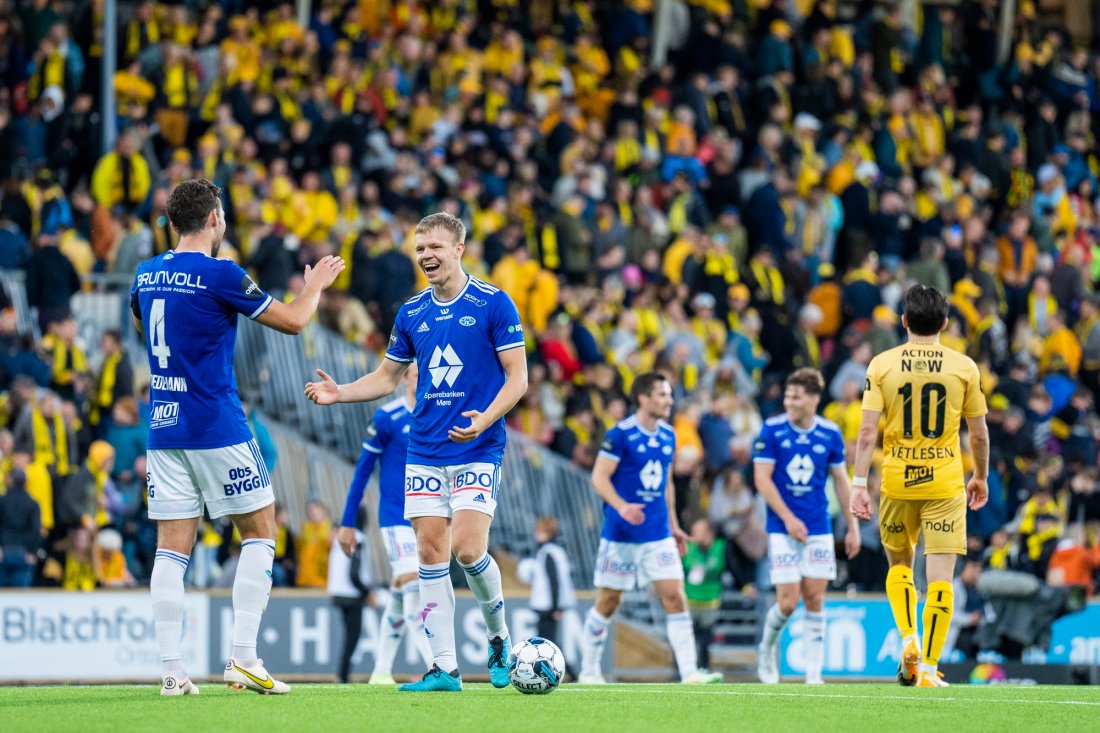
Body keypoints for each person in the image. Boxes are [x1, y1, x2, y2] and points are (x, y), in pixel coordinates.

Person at [130, 178, 344, 696]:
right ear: (213, 221)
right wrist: (313, 286)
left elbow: (143, 328)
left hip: (163, 426)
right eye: (222, 215)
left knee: (170, 550)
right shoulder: (220, 272)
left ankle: (172, 671)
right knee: (261, 531)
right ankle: (243, 658)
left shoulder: (146, 273)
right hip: (215, 422)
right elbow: (293, 321)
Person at [306, 212, 528, 693]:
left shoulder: (494, 303)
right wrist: (339, 392)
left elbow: (518, 378)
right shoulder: (412, 313)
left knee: (469, 550)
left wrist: (486, 419)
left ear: (458, 249)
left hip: (477, 445)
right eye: (420, 247)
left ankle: (499, 637)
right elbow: (387, 377)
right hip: (425, 449)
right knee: (431, 554)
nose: (426, 255)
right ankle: (445, 668)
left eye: (435, 247)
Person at [850, 284, 989, 688]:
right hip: (945, 483)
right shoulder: (963, 366)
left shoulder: (882, 364)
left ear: (904, 320)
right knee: (942, 579)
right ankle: (927, 666)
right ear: (945, 322)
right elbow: (978, 435)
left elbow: (865, 433)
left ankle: (908, 637)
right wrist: (978, 475)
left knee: (900, 568)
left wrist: (860, 483)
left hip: (897, 480)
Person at [577, 371, 723, 685]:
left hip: (657, 533)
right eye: (662, 395)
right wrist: (622, 506)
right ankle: (589, 670)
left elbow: (667, 483)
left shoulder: (669, 435)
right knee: (608, 601)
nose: (669, 400)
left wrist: (674, 524)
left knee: (675, 596)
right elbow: (599, 477)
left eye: (669, 395)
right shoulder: (620, 434)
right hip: (622, 534)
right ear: (643, 398)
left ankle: (689, 673)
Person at [752, 368, 861, 685]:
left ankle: (813, 674)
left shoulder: (830, 433)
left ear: (813, 399)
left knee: (815, 598)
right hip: (782, 529)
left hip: (818, 528)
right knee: (787, 603)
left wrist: (851, 527)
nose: (789, 401)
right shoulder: (771, 430)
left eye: (796, 396)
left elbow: (842, 481)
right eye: (787, 395)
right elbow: (762, 479)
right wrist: (788, 518)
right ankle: (766, 650)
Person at [336, 363, 433, 684]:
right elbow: (363, 470)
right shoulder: (387, 418)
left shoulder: (437, 414)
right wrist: (348, 522)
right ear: (405, 376)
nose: (425, 380)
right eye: (419, 374)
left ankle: (380, 670)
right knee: (413, 585)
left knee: (399, 592)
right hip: (395, 517)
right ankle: (439, 666)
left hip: (427, 516)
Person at [517, 516, 577, 679]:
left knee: (548, 645)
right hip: (551, 605)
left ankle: (570, 673)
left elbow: (553, 581)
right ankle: (560, 673)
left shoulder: (547, 552)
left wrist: (555, 607)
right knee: (548, 643)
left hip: (548, 606)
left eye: (539, 531)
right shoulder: (556, 551)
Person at [328, 506, 372, 684]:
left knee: (348, 636)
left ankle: (342, 674)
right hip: (351, 595)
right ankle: (343, 675)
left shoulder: (340, 537)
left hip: (337, 591)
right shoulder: (358, 539)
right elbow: (354, 573)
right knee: (352, 637)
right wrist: (366, 593)